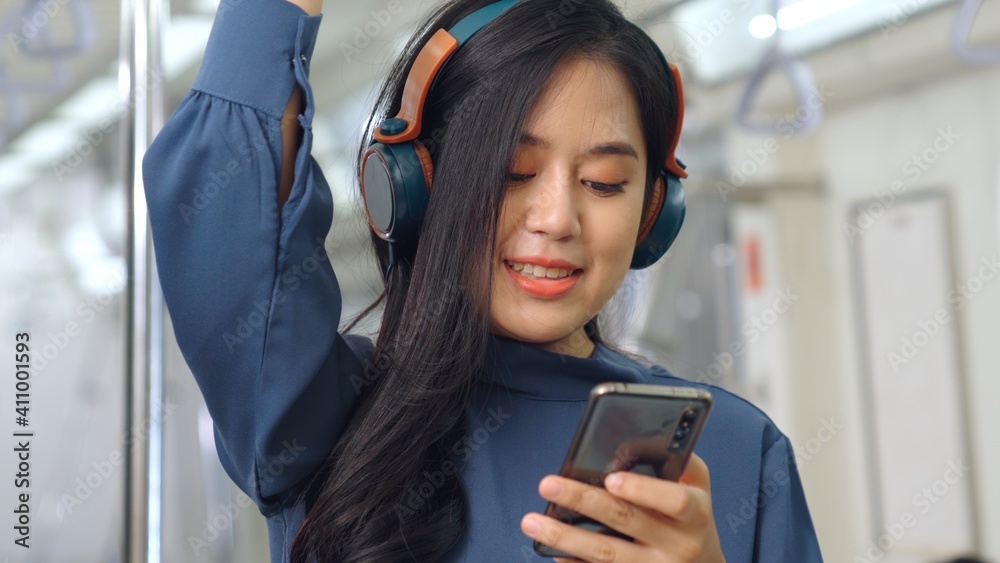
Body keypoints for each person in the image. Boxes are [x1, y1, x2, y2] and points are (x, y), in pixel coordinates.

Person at [142, 0, 824, 561]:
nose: (558, 218)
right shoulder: (326, 415)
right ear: (411, 185)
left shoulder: (737, 451)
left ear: (653, 210)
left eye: (604, 182)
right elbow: (225, 212)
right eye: (512, 172)